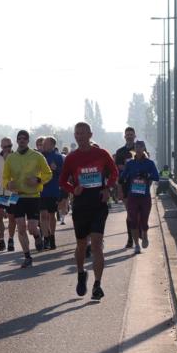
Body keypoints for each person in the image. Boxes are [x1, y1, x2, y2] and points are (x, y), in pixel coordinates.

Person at [59, 122, 119, 300]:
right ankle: (81, 273)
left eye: (83, 133)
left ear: (90, 134)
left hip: (98, 203)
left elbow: (114, 172)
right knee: (81, 244)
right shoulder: (71, 158)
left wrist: (107, 188)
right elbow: (62, 181)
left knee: (97, 244)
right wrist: (73, 189)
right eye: (77, 133)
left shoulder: (101, 154)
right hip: (81, 205)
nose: (80, 136)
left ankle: (97, 285)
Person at [2, 129, 52, 267]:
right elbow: (5, 177)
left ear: (28, 140)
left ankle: (37, 235)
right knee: (20, 227)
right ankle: (27, 256)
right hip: (17, 196)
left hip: (33, 196)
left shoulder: (37, 156)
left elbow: (48, 174)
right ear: (17, 141)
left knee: (32, 227)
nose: (22, 140)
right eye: (19, 138)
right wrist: (8, 184)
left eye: (24, 138)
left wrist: (38, 180)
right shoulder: (11, 158)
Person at [120, 140, 160, 253]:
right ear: (134, 149)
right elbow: (123, 176)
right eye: (136, 147)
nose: (138, 149)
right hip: (132, 196)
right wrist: (122, 179)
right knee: (132, 221)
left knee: (144, 220)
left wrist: (147, 175)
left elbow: (156, 177)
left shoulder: (149, 163)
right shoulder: (130, 163)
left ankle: (145, 234)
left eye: (140, 147)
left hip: (144, 196)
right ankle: (137, 245)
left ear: (144, 149)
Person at [38, 136, 64, 250]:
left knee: (51, 215)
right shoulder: (39, 156)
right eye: (43, 143)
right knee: (43, 215)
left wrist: (56, 168)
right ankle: (46, 238)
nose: (43, 145)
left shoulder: (58, 157)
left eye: (46, 144)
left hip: (53, 190)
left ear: (52, 145)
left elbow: (63, 173)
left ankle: (52, 236)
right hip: (41, 190)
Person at [114, 126, 138, 249]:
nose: (129, 136)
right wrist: (119, 189)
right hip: (126, 185)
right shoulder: (120, 152)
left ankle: (138, 232)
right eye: (127, 134)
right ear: (125, 136)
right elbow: (119, 169)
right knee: (130, 212)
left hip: (139, 185)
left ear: (135, 136)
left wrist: (128, 167)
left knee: (138, 212)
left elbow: (145, 165)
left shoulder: (140, 149)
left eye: (131, 134)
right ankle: (130, 239)